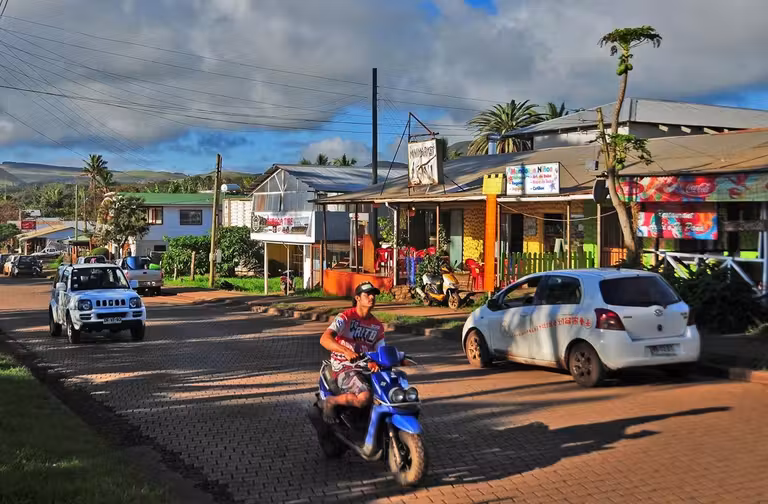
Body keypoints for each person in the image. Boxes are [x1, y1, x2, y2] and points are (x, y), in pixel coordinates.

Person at [319, 282, 386, 423]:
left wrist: (396, 359)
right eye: (367, 294)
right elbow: (324, 339)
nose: (372, 297)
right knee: (364, 397)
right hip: (344, 365)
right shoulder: (345, 317)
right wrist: (346, 351)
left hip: (365, 367)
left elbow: (381, 351)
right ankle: (331, 401)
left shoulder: (378, 326)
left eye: (373, 295)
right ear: (357, 298)